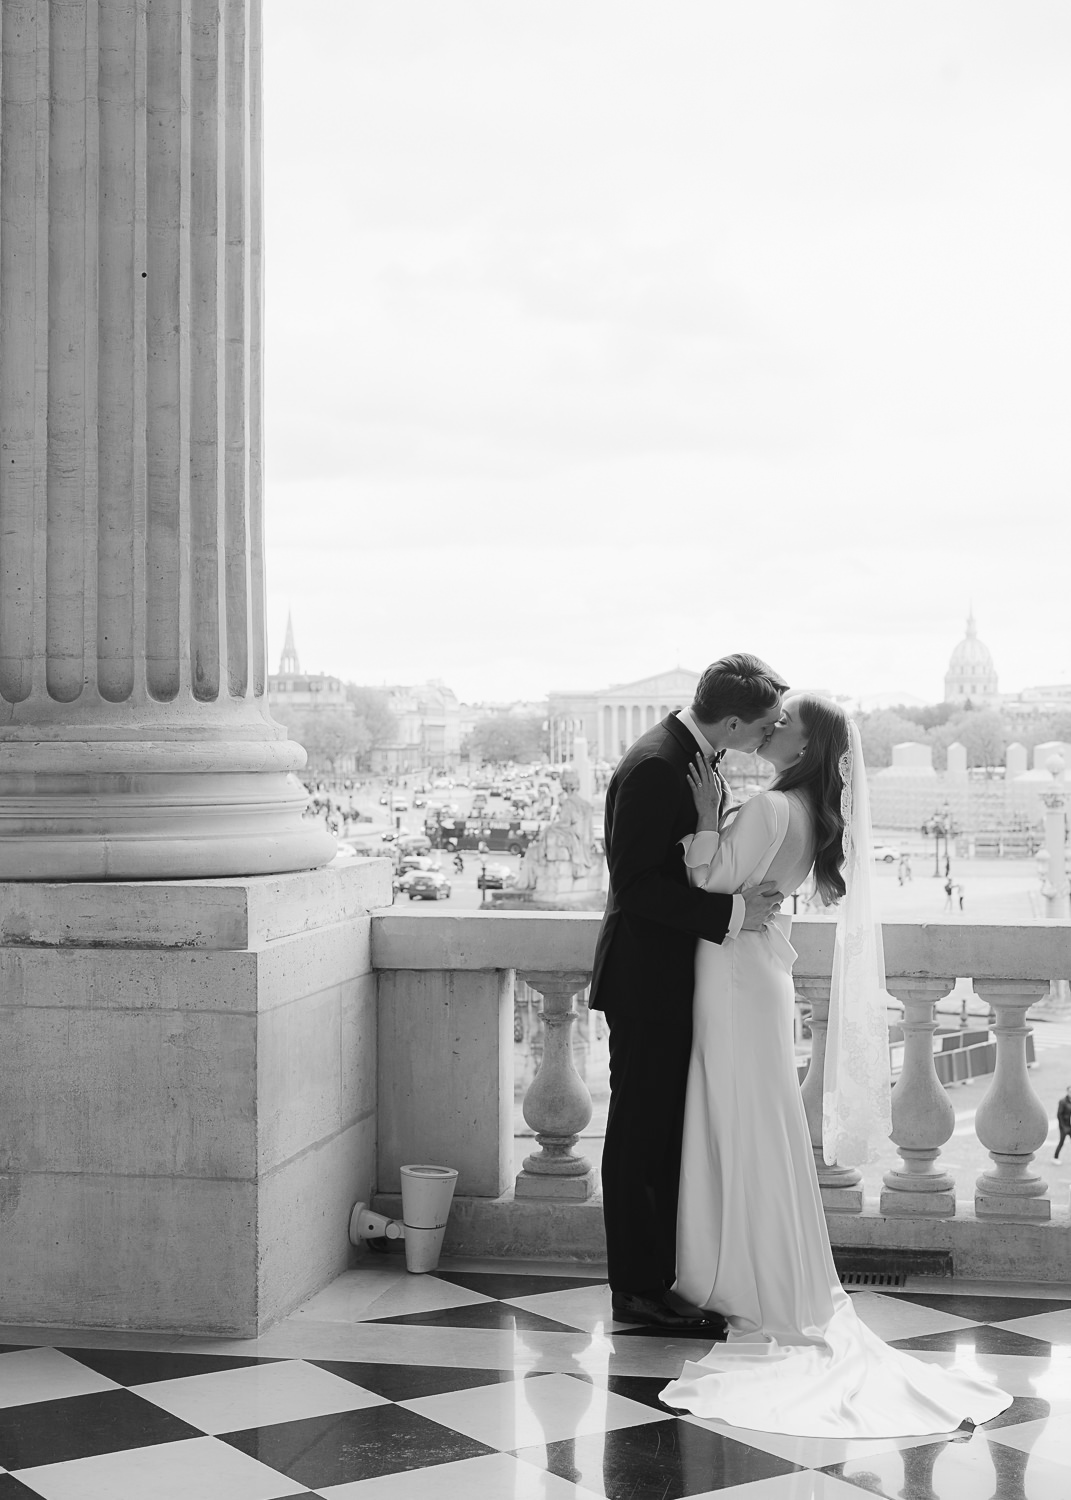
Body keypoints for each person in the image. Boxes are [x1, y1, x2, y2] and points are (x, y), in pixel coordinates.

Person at [660, 695, 1011, 1436]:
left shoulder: (765, 809)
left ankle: (732, 1272)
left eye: (782, 723)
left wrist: (700, 819)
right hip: (758, 975)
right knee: (759, 1119)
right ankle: (762, 1273)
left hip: (730, 975)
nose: (769, 727)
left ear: (804, 744)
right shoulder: (807, 815)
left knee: (733, 1116)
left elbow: (705, 881)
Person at [588, 654, 788, 1332]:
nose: (767, 737)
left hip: (664, 977)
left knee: (658, 1134)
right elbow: (638, 886)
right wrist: (733, 916)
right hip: (646, 981)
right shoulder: (655, 765)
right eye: (762, 727)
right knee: (640, 1136)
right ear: (730, 720)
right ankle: (637, 1291)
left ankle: (655, 1280)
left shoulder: (679, 756)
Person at [1056, 1085, 1071, 1160]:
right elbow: (1059, 1115)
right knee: (1061, 1142)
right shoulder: (1062, 1101)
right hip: (1064, 1127)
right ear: (1067, 1092)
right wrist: (1063, 1127)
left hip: (1070, 1126)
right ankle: (1055, 1157)